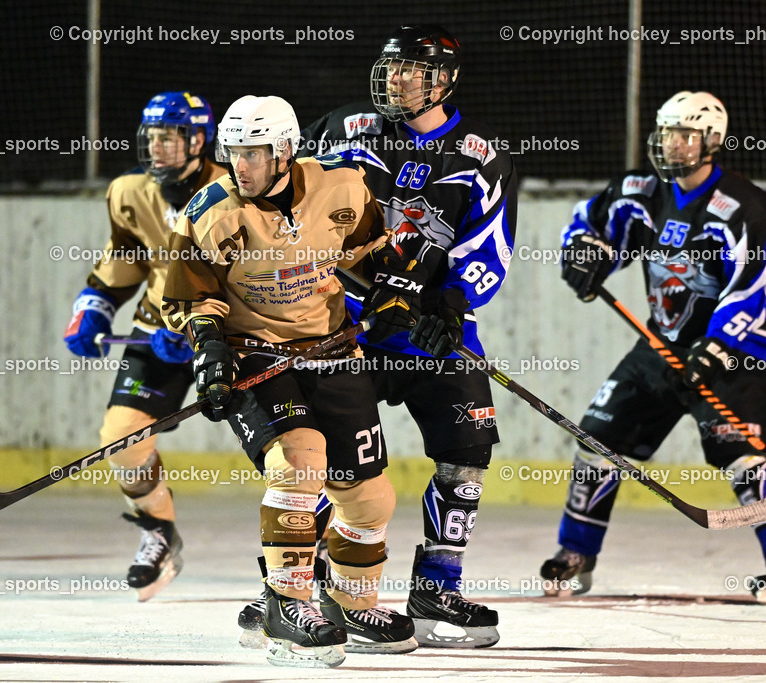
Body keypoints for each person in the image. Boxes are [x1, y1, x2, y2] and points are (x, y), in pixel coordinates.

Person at [237, 25, 518, 649]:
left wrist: (447, 302)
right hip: (347, 331)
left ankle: (437, 587)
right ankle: (288, 589)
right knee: (334, 461)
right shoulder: (344, 131)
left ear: (441, 79)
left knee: (467, 450)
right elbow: (292, 207)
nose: (395, 78)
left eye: (411, 70)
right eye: (390, 68)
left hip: (428, 333)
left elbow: (490, 250)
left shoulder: (480, 156)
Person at [162, 94, 418, 667]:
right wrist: (210, 352)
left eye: (253, 153)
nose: (240, 166)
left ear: (285, 151)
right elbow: (189, 295)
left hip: (332, 350)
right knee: (299, 466)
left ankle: (350, 604)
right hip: (256, 355)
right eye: (232, 153)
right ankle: (286, 605)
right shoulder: (211, 211)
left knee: (370, 496)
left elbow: (374, 252)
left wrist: (398, 295)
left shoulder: (343, 190)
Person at [539, 90, 766, 607]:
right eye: (667, 132)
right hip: (660, 347)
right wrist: (584, 256)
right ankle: (576, 555)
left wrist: (717, 348)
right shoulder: (641, 190)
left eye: (685, 135)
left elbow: (754, 287)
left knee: (745, 459)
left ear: (712, 140)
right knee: (597, 440)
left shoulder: (743, 206)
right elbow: (589, 226)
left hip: (736, 354)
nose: (673, 144)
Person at [62, 91, 226, 601]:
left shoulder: (233, 190)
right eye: (151, 137)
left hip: (233, 337)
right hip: (159, 330)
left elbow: (251, 273)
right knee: (123, 435)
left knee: (288, 449)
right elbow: (126, 257)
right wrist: (93, 307)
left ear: (198, 140)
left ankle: (317, 551)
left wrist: (202, 330)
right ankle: (158, 529)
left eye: (169, 138)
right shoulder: (130, 192)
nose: (156, 148)